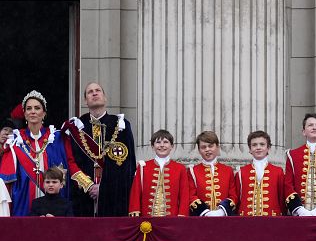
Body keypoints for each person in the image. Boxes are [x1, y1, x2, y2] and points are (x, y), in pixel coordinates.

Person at [63, 82, 137, 217]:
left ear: (105, 97)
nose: (94, 93)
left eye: (98, 90)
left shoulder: (121, 125)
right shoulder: (77, 127)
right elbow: (70, 161)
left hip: (114, 195)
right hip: (84, 196)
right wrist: (89, 185)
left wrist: (103, 188)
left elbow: (127, 165)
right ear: (85, 100)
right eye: (90, 92)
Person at [0, 91, 71, 217]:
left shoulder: (56, 138)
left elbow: (66, 167)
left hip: (53, 199)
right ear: (25, 114)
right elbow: (6, 180)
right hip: (23, 198)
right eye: (29, 108)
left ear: (44, 113)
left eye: (37, 108)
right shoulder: (16, 140)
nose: (33, 111)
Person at [128, 129, 194, 217]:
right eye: (158, 142)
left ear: (172, 146)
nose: (162, 145)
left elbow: (184, 195)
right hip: (147, 220)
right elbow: (135, 193)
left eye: (166, 142)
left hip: (172, 220)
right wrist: (135, 213)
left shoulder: (180, 168)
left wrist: (182, 215)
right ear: (152, 146)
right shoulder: (143, 167)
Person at [236, 130, 287, 216]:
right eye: (254, 145)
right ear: (250, 149)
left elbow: (282, 199)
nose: (258, 147)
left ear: (268, 148)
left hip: (272, 219)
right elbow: (238, 199)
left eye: (262, 144)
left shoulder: (278, 171)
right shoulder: (241, 172)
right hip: (245, 220)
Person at [189, 131, 239, 217]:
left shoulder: (228, 170)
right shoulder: (193, 171)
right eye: (203, 147)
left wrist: (222, 211)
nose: (207, 149)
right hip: (200, 219)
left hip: (224, 219)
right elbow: (191, 195)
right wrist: (205, 212)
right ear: (199, 150)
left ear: (218, 147)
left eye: (210, 146)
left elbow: (233, 195)